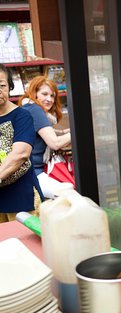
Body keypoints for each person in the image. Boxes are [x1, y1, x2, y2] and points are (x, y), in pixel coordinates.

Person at [19, 76, 73, 198]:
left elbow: (45, 131)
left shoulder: (28, 108)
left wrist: (65, 132)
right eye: (44, 94)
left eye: (52, 96)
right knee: (70, 195)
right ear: (35, 94)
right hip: (34, 174)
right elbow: (55, 143)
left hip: (31, 172)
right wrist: (76, 132)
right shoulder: (35, 109)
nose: (49, 99)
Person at [0, 63, 40, 222]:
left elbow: (21, 154)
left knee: (25, 242)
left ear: (10, 87)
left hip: (20, 196)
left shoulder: (22, 116)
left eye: (1, 85)